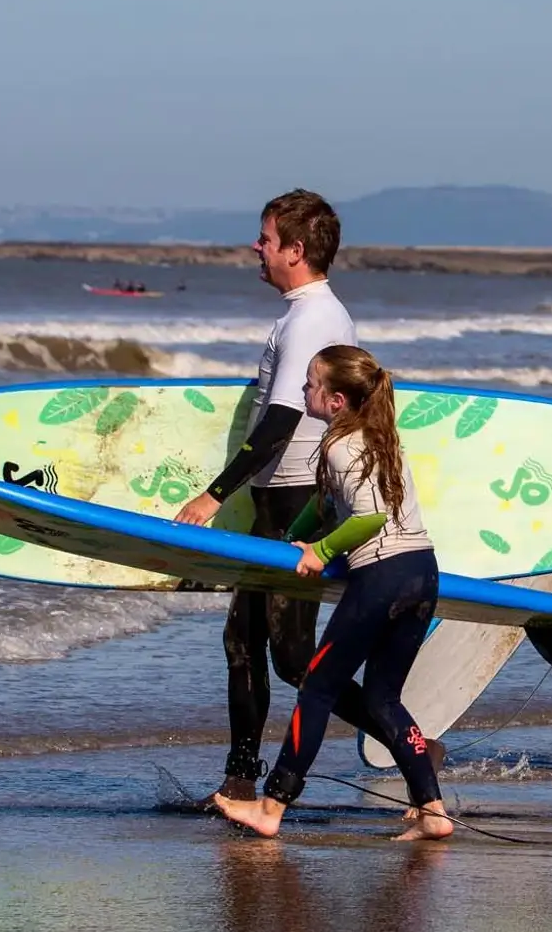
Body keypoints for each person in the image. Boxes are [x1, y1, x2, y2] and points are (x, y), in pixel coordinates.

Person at [176, 190, 382, 804]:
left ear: (295, 249)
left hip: (300, 502)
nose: (256, 248)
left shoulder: (315, 318)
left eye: (266, 239)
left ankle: (409, 740)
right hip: (275, 500)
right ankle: (239, 775)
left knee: (292, 657)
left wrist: (213, 497)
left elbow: (281, 422)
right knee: (244, 641)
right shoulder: (299, 314)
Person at [214, 346, 453, 842]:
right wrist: (291, 545)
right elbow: (325, 505)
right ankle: (432, 811)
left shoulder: (341, 447)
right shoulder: (378, 438)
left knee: (318, 686)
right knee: (384, 697)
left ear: (336, 399)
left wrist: (320, 552)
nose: (304, 392)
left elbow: (370, 517)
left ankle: (273, 805)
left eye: (310, 384)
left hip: (382, 577)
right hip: (422, 573)